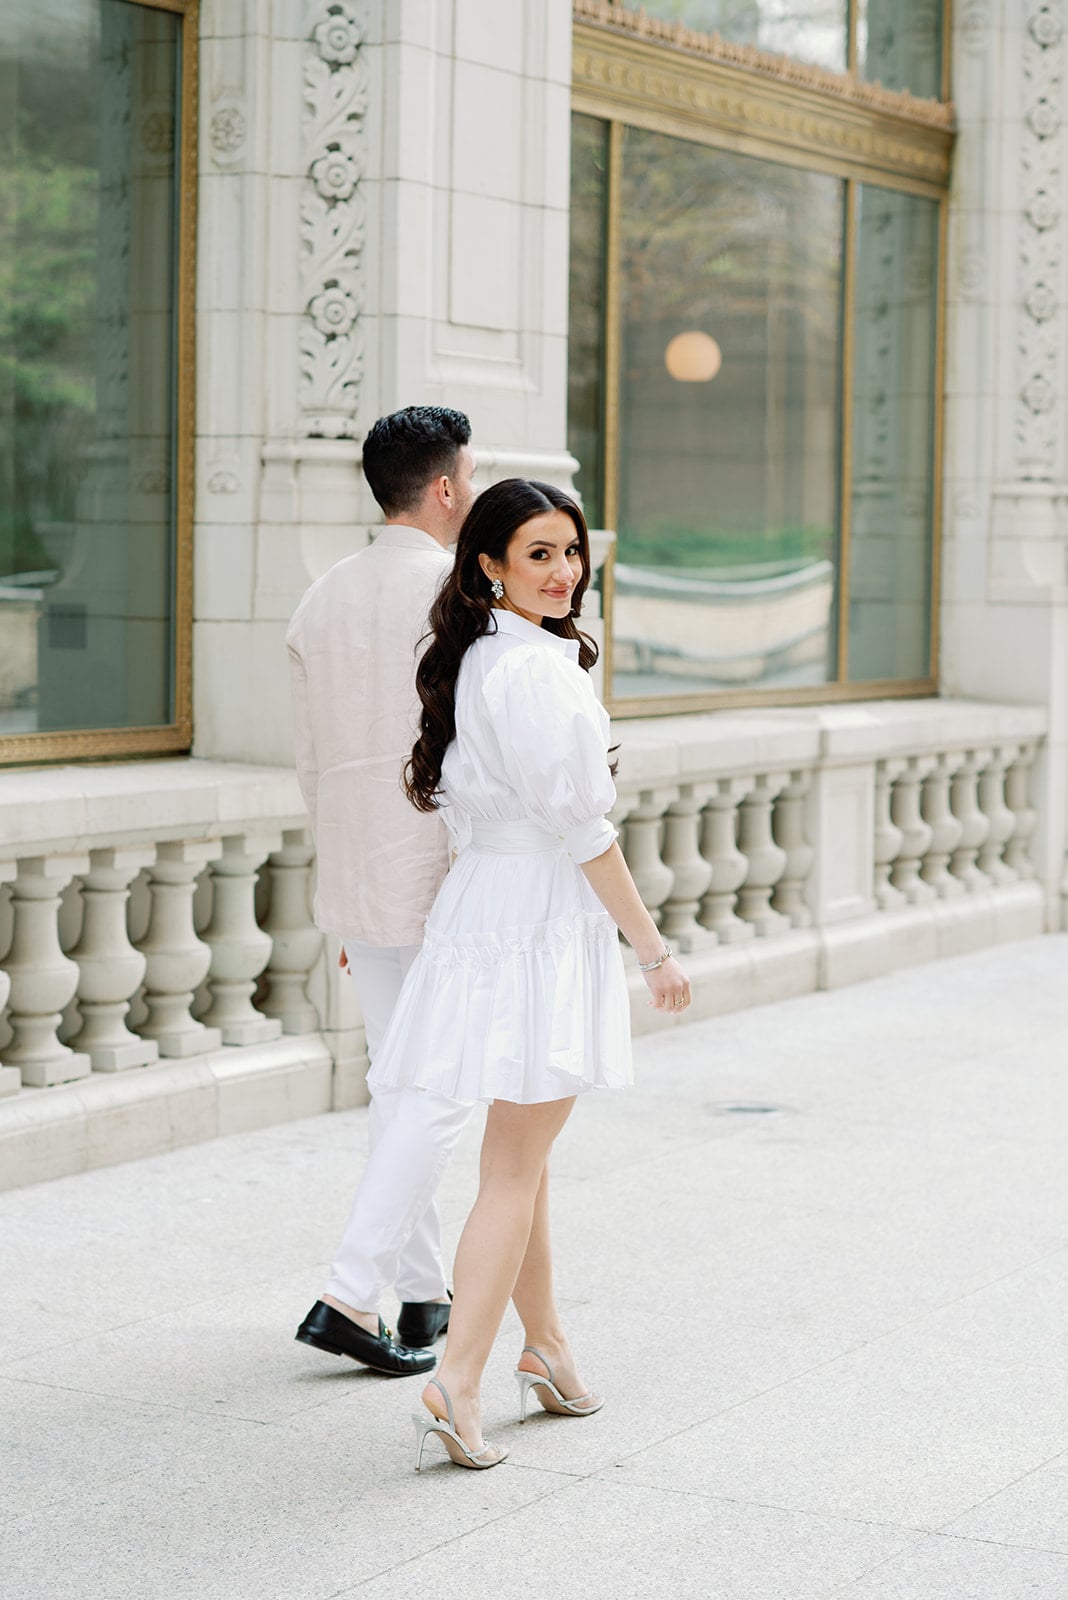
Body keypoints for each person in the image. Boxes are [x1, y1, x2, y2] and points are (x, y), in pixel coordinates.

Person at [363, 478, 691, 1469]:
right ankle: (456, 1382)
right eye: (537, 553)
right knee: (513, 1163)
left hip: (496, 913)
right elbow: (585, 833)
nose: (562, 572)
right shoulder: (539, 675)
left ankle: (544, 1350)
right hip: (538, 919)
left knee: (523, 1152)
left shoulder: (486, 659)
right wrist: (653, 947)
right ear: (488, 565)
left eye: (570, 551)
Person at [286, 405, 477, 1377]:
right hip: (441, 876)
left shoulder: (319, 599)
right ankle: (351, 1291)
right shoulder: (459, 593)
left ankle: (422, 1287)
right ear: (444, 486)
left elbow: (310, 766)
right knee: (431, 1087)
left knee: (399, 1084)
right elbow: (472, 755)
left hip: (359, 875)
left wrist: (344, 876)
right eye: (469, 475)